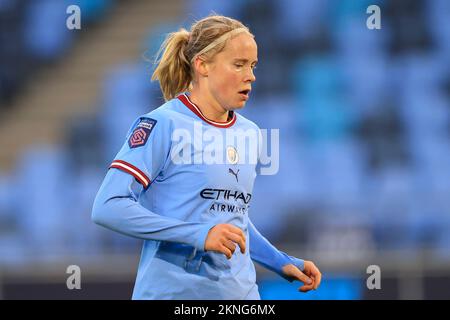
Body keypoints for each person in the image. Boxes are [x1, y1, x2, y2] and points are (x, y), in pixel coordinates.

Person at [92, 14, 321, 300]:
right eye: (238, 65)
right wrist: (198, 234)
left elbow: (231, 218)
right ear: (202, 65)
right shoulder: (163, 125)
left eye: (252, 66)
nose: (250, 76)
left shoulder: (249, 133)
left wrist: (279, 261)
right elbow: (108, 206)